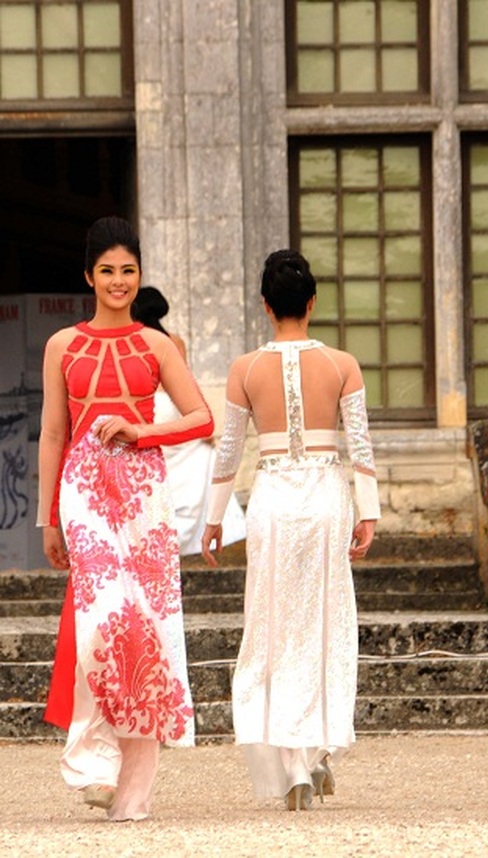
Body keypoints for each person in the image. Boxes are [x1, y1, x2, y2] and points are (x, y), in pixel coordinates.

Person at [38, 216, 214, 821]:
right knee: (101, 620)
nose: (118, 281)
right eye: (108, 271)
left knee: (149, 630)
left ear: (140, 276)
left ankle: (130, 789)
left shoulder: (156, 345)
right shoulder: (63, 344)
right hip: (83, 486)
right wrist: (46, 519)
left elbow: (202, 418)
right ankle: (92, 760)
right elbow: (54, 433)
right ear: (89, 276)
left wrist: (142, 431)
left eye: (129, 271)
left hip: (143, 490)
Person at [201, 249, 380, 811]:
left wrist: (212, 517)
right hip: (328, 495)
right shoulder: (343, 364)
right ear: (312, 301)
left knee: (274, 622)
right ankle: (314, 751)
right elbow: (362, 445)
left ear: (264, 304)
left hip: (274, 497)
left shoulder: (245, 369)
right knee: (324, 620)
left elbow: (230, 449)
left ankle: (293, 763)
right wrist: (368, 509)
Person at [131, 286, 246, 556]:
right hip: (169, 406)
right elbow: (184, 385)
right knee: (201, 456)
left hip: (146, 410)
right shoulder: (174, 341)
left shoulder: (130, 342)